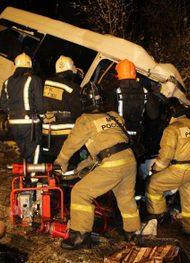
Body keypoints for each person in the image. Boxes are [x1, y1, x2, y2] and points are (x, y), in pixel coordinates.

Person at [54, 81, 141, 250]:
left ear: (84, 101)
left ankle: (81, 236)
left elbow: (71, 145)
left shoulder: (85, 120)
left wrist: (60, 163)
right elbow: (109, 143)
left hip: (113, 164)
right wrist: (86, 163)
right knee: (125, 198)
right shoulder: (114, 115)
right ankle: (133, 233)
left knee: (80, 192)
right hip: (129, 160)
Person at [144, 98, 190, 239]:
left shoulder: (173, 128)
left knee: (152, 184)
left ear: (169, 113)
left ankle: (156, 217)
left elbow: (166, 154)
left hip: (181, 169)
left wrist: (156, 170)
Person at [0, 53, 46, 173]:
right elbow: (40, 104)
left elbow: (3, 104)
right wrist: (41, 116)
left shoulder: (7, 82)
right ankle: (33, 181)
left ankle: (24, 176)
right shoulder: (34, 79)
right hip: (29, 123)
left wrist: (13, 114)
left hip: (14, 123)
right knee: (35, 150)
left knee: (24, 151)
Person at [105, 59, 158, 144]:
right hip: (136, 137)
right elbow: (154, 115)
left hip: (118, 135)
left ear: (118, 73)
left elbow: (107, 114)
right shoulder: (144, 91)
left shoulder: (115, 91)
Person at [42, 55, 83, 163]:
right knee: (68, 161)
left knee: (52, 161)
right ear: (71, 71)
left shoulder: (47, 84)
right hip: (65, 131)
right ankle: (67, 179)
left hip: (48, 130)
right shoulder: (73, 88)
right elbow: (78, 112)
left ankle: (53, 178)